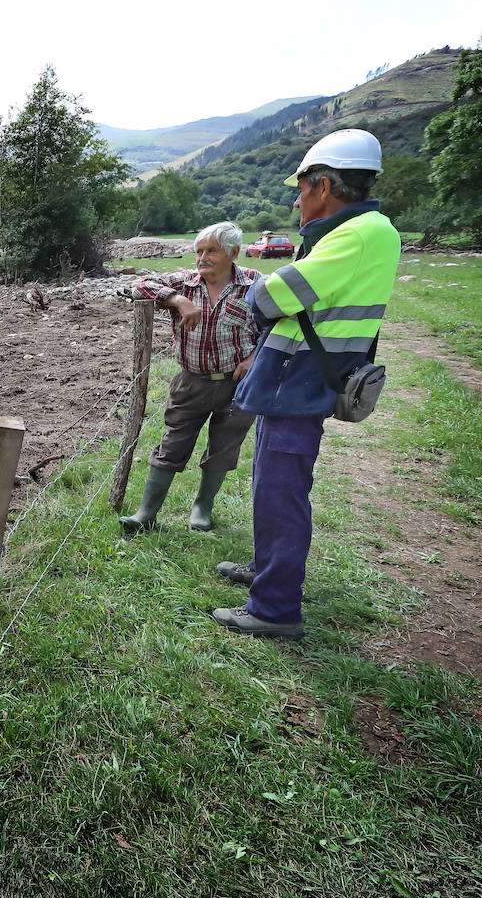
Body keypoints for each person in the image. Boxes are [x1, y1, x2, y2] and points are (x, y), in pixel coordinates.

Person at [211, 129, 400, 639]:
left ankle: (274, 608)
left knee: (282, 492)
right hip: (294, 380)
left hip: (301, 380)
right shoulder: (356, 230)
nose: (296, 199)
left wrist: (263, 290)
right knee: (269, 484)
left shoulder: (359, 233)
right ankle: (265, 569)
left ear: (322, 185)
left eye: (300, 189)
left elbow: (270, 298)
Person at [121, 222, 261, 533]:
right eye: (199, 251)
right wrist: (178, 300)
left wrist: (254, 358)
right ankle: (146, 514)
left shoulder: (254, 284)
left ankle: (202, 507)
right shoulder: (185, 283)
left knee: (224, 447)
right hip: (191, 382)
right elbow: (138, 285)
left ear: (233, 252)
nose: (203, 257)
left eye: (211, 250)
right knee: (173, 443)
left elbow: (277, 326)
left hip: (237, 384)